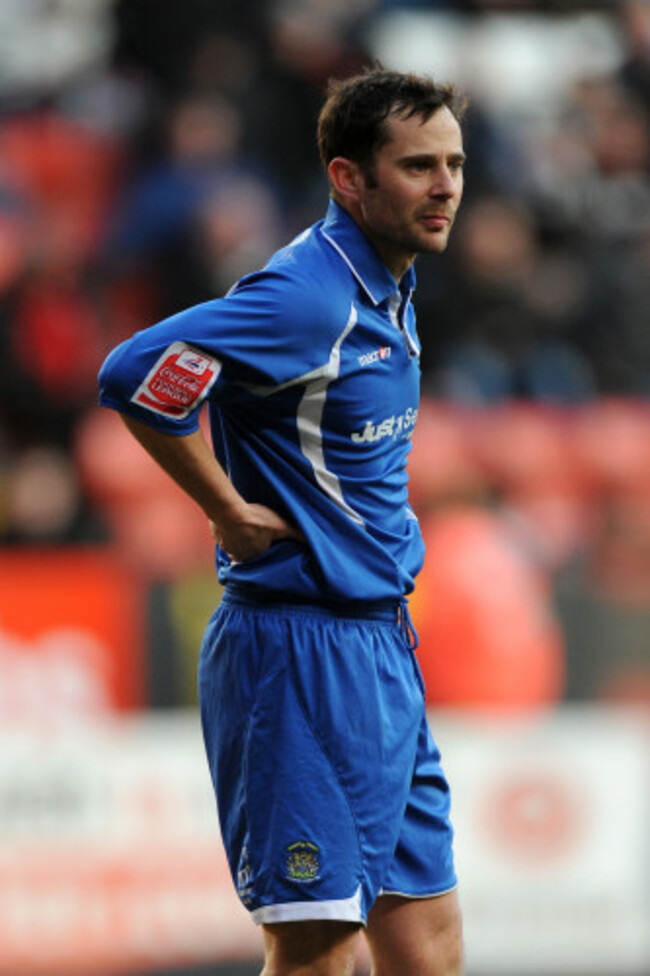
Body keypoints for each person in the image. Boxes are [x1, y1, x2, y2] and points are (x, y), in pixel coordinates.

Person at [98, 67, 467, 976]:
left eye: (455, 163)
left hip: (382, 649)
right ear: (350, 177)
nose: (448, 186)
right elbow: (137, 373)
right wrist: (224, 508)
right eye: (419, 166)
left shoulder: (387, 284)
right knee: (317, 952)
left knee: (430, 946)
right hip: (296, 651)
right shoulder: (308, 299)